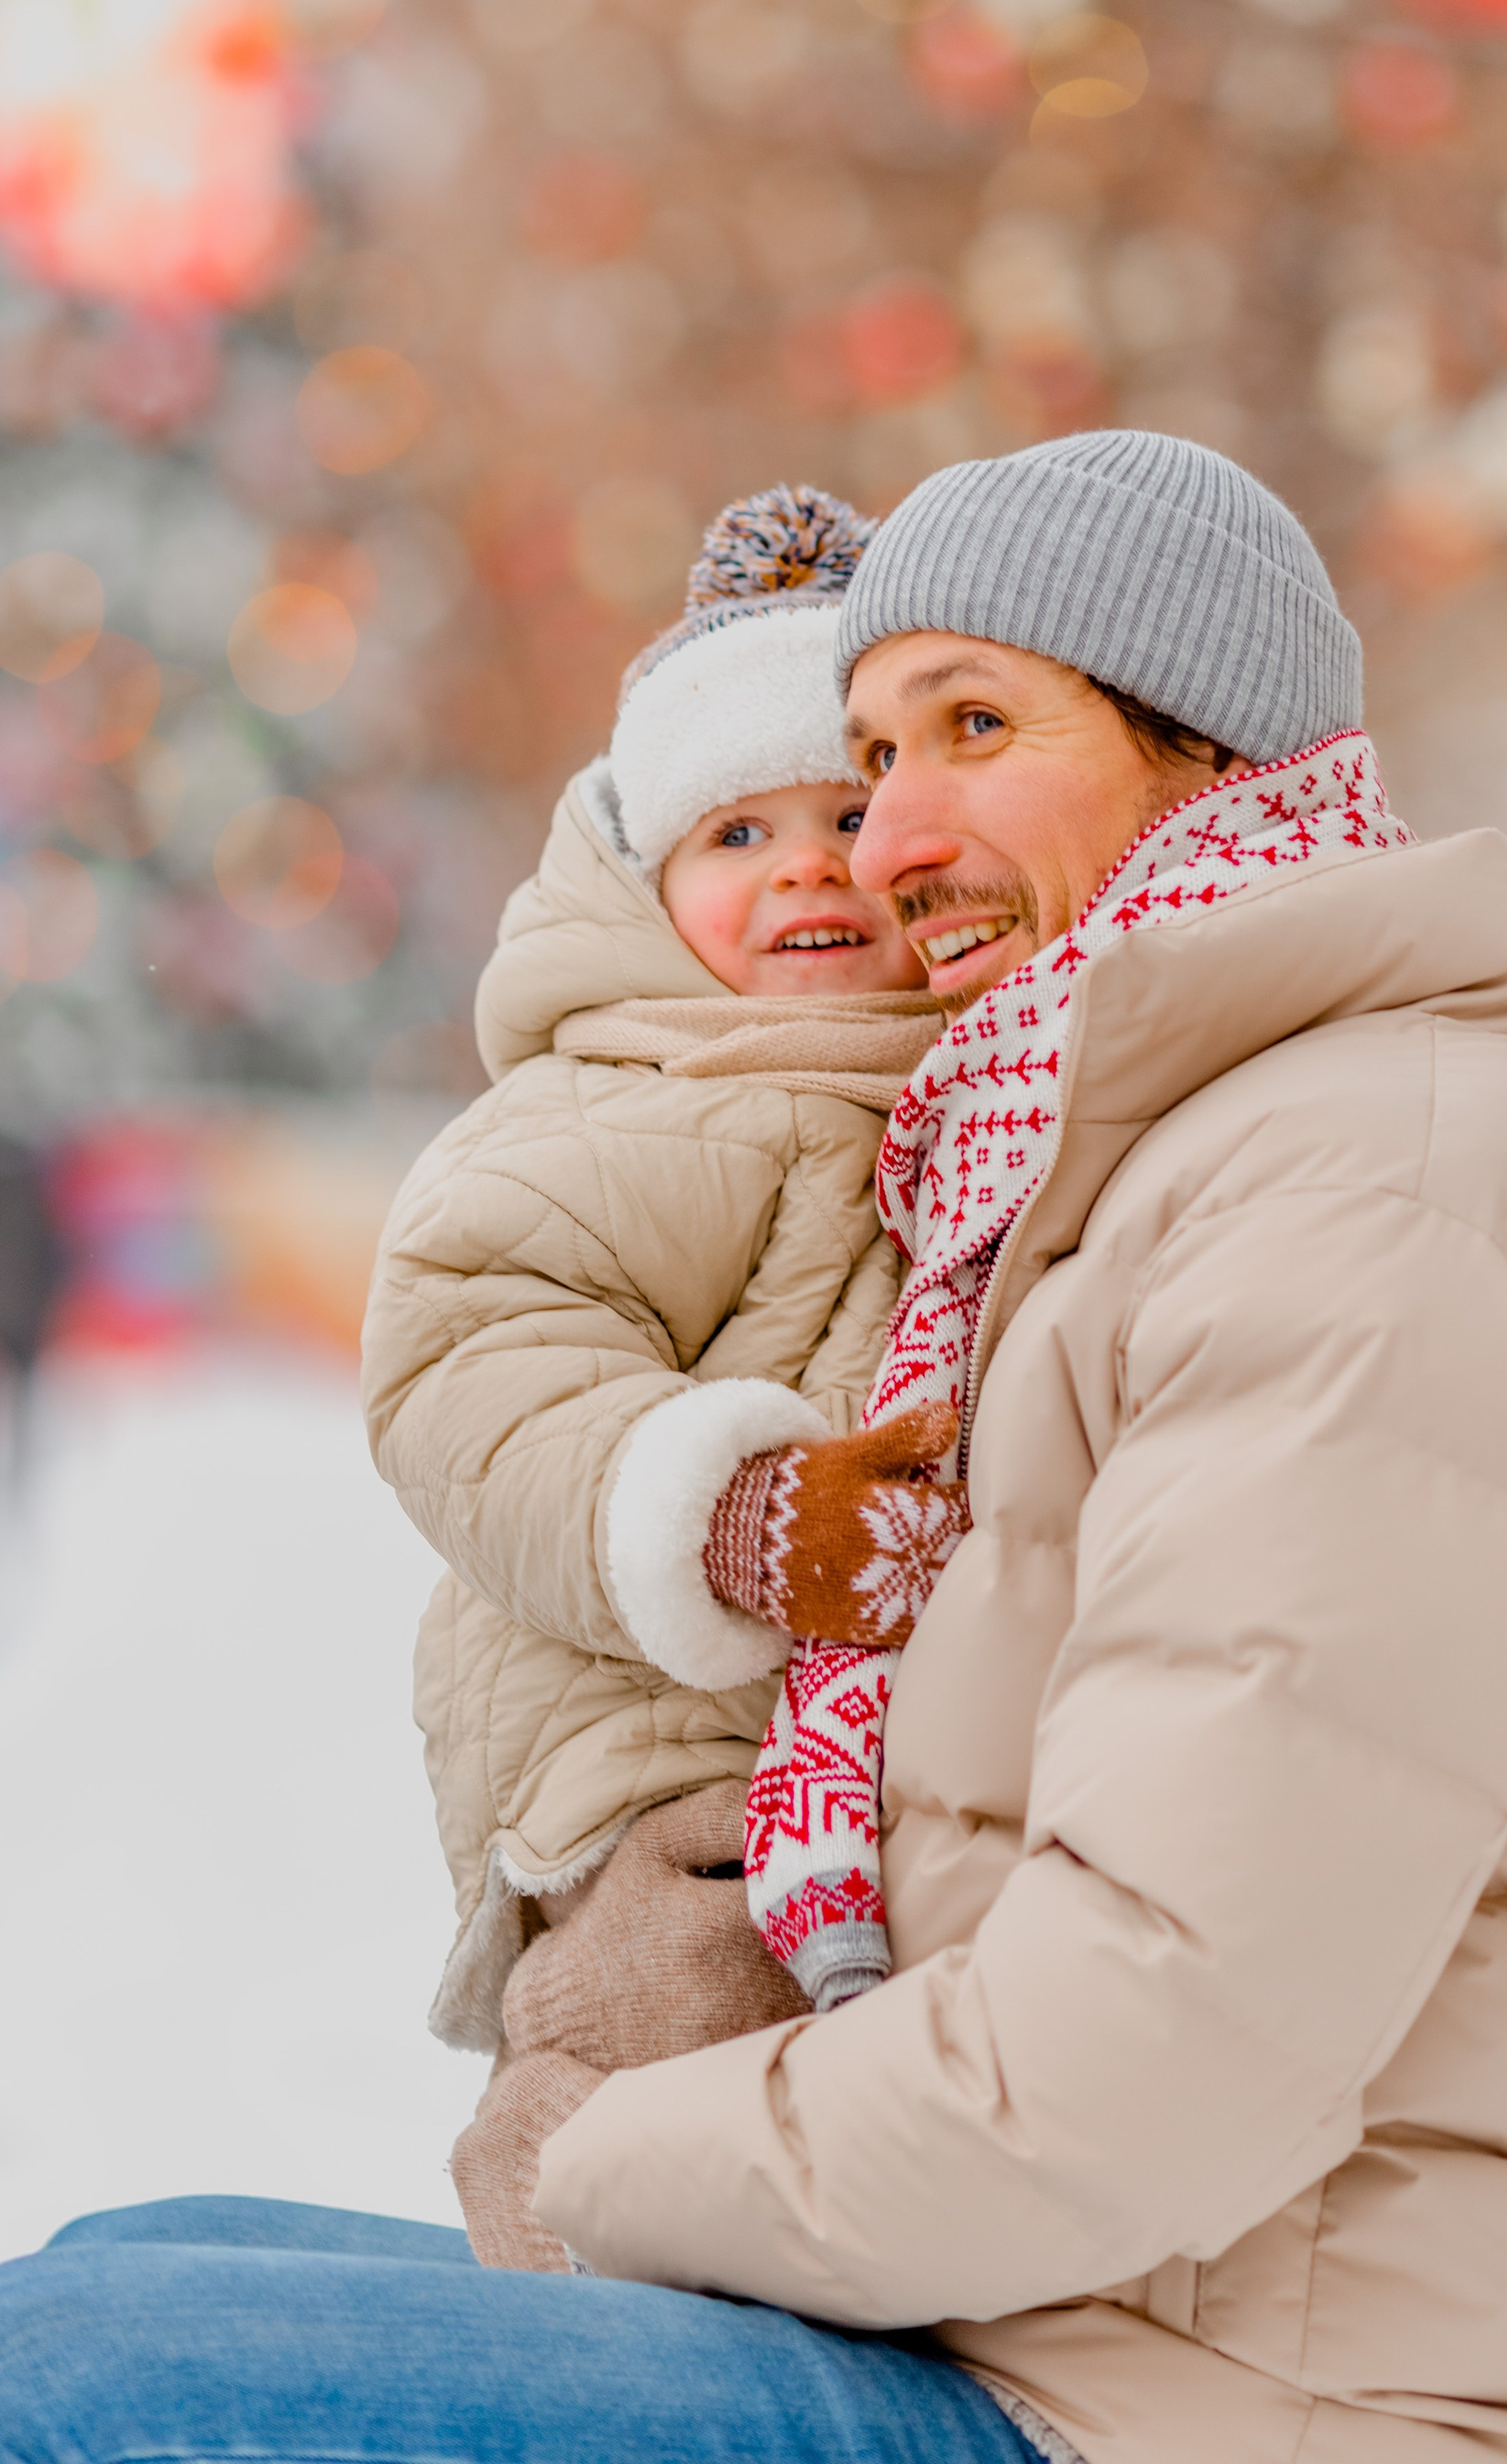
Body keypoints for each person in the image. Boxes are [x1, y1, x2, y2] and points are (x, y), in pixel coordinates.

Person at [0, 432, 1507, 2464]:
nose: (886, 843)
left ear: (1215, 749)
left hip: (1231, 2411)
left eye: (973, 728)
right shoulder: (1105, 1185)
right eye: (874, 755)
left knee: (63, 2377)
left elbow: (1137, 2065)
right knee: (116, 2259)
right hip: (1062, 2323)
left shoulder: (1380, 1210)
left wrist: (596, 2156)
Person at [362, 485, 945, 2265]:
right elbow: (475, 1364)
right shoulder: (620, 1098)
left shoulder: (979, 1077)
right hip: (656, 1747)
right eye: (737, 831)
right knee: (658, 2036)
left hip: (867, 1750)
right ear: (645, 881)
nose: (805, 867)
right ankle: (552, 2309)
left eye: (850, 816)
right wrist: (728, 1515)